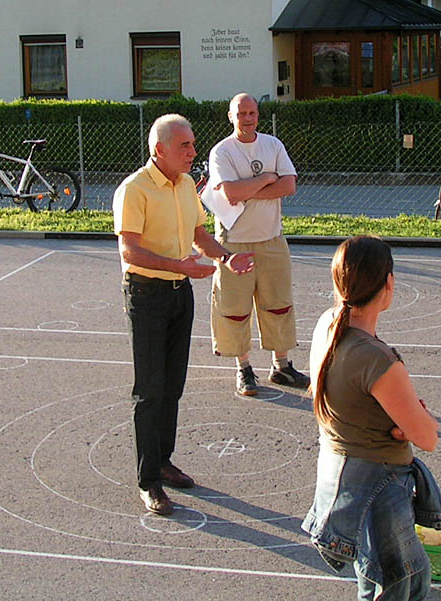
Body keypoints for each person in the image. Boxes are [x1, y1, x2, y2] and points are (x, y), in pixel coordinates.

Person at [113, 114, 255, 516]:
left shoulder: (185, 185)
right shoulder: (134, 190)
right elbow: (130, 252)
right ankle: (149, 481)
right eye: (185, 147)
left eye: (193, 145)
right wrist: (182, 268)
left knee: (173, 385)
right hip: (147, 295)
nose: (194, 152)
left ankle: (163, 460)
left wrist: (225, 257)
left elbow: (198, 233)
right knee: (150, 390)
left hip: (180, 293)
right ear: (160, 150)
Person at [302, 235, 440, 601]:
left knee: (383, 574)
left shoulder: (328, 325)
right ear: (388, 284)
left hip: (344, 474)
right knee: (398, 584)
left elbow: (337, 396)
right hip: (378, 484)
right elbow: (427, 437)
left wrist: (396, 418)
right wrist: (414, 419)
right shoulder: (377, 360)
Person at [207, 92, 309, 396]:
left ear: (258, 115)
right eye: (241, 114)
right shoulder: (221, 152)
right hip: (235, 243)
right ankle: (244, 368)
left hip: (271, 239)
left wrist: (247, 188)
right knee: (236, 309)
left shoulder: (273, 145)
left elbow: (288, 185)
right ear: (231, 116)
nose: (247, 118)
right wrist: (266, 179)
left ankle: (281, 366)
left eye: (251, 113)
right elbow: (229, 194)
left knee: (278, 305)